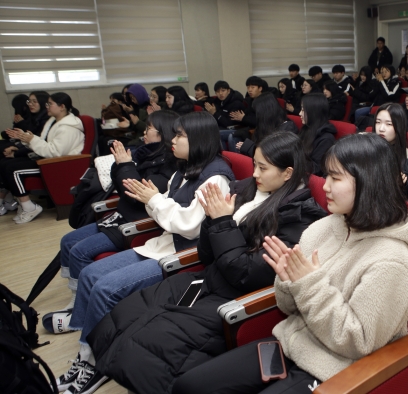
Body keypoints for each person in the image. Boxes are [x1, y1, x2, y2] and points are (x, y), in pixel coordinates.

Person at [172, 132, 408, 394]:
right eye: (326, 175)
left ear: (369, 183)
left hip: (336, 368)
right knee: (190, 386)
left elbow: (356, 341)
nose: (324, 186)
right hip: (290, 343)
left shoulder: (392, 262)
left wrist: (308, 284)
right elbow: (288, 307)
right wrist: (287, 279)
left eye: (335, 178)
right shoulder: (323, 228)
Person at [87, 132, 327, 394]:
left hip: (234, 296)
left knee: (152, 342)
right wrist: (212, 220)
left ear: (287, 173)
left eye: (262, 167)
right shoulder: (246, 191)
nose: (254, 173)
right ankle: (98, 368)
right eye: (254, 164)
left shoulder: (300, 217)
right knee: (128, 313)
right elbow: (206, 254)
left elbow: (246, 275)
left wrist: (223, 222)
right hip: (207, 280)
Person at [48, 112, 235, 394]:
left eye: (180, 135)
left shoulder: (215, 178)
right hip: (161, 242)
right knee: (89, 274)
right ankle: (88, 348)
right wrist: (152, 200)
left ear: (198, 139)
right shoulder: (185, 169)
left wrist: (155, 199)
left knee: (105, 289)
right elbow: (165, 213)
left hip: (179, 254)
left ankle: (92, 364)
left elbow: (189, 226)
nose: (173, 140)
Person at [51, 111, 179, 324]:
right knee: (68, 241)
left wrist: (125, 165)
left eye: (149, 129)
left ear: (163, 134)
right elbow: (121, 186)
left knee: (80, 251)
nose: (144, 132)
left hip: (136, 222)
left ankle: (82, 303)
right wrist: (123, 164)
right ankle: (78, 298)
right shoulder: (146, 153)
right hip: (121, 215)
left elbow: (135, 194)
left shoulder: (170, 165)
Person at [0, 92, 84, 223]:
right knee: (5, 163)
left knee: (13, 169)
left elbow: (54, 152)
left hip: (58, 165)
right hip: (48, 161)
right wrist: (25, 138)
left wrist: (32, 139)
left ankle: (29, 207)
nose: (47, 107)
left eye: (50, 104)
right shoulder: (54, 122)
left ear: (62, 107)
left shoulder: (68, 128)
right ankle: (23, 205)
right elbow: (45, 143)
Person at [235, 92, 298, 157]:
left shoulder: (287, 129)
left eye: (257, 113)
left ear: (265, 113)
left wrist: (249, 148)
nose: (257, 116)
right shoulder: (267, 125)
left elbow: (273, 156)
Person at [299, 93, 337, 176]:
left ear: (313, 112)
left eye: (303, 110)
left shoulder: (326, 139)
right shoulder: (307, 128)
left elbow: (317, 169)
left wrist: (294, 156)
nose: (299, 114)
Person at [204, 80, 246, 150]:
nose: (220, 93)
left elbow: (228, 123)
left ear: (228, 91)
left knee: (216, 134)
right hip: (221, 127)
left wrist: (215, 113)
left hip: (236, 129)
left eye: (223, 91)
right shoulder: (217, 102)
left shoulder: (236, 103)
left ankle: (224, 157)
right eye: (218, 92)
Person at [373, 102, 408, 170]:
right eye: (378, 122)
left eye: (389, 124)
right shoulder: (367, 148)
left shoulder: (406, 155)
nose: (381, 129)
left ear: (399, 126)